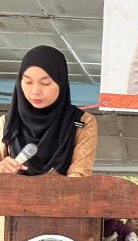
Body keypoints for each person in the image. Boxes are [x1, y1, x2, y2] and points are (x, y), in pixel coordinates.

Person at [1, 45, 97, 177]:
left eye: (45, 83)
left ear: (61, 82)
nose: (35, 91)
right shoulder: (6, 123)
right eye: (28, 82)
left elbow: (79, 177)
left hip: (65, 191)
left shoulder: (82, 122)